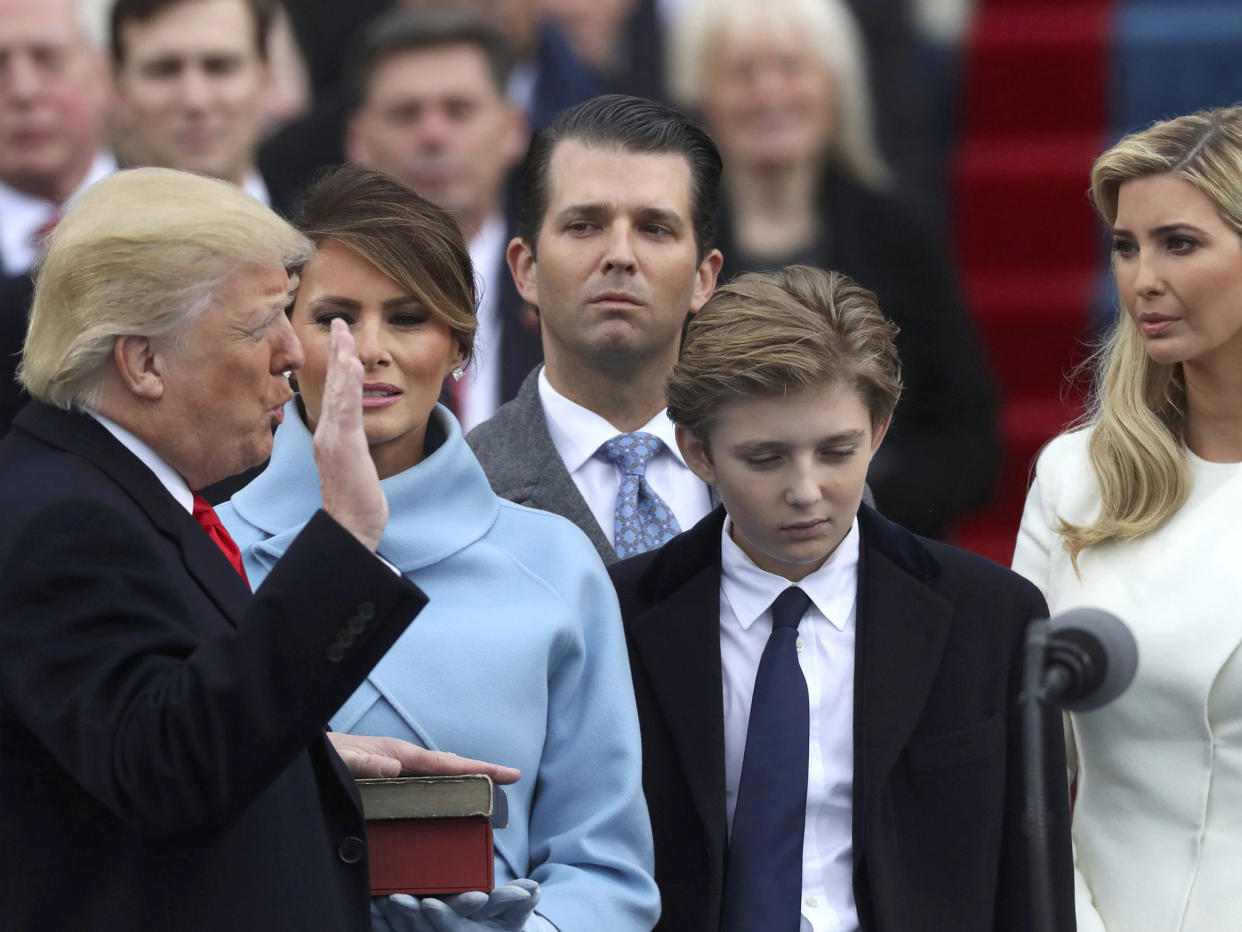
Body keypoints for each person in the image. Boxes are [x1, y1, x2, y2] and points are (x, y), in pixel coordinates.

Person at [0, 166, 518, 930]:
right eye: (261, 325)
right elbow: (170, 768)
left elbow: (147, 734)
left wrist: (310, 761)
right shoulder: (68, 521)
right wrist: (343, 537)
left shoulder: (114, 498)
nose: (291, 352)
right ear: (142, 362)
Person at [217, 164, 659, 932]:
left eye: (410, 316)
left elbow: (608, 872)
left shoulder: (557, 566)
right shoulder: (203, 549)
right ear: (286, 340)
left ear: (458, 344)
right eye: (336, 317)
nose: (373, 349)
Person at [613, 265, 1074, 930]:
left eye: (836, 451)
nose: (807, 490)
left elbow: (1031, 880)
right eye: (765, 458)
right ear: (696, 452)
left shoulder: (992, 618)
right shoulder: (618, 616)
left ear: (880, 429)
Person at [1012, 105, 1242, 932]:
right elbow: (1017, 759)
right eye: (1125, 245)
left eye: (1179, 243)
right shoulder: (1076, 476)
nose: (1142, 277)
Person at [666, 0, 998, 538]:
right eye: (742, 72)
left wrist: (861, 506)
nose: (769, 92)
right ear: (700, 94)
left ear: (836, 86)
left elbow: (966, 435)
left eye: (792, 67)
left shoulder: (898, 235)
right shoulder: (668, 240)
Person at [467, 93, 723, 564]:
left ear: (703, 279)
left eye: (654, 228)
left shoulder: (793, 470)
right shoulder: (461, 488)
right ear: (525, 270)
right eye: (585, 226)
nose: (620, 255)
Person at [346, 5, 540, 431]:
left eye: (458, 109)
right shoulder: (312, 302)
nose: (433, 133)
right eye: (405, 113)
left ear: (513, 129)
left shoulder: (560, 290)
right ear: (358, 140)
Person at [0, 0, 115, 435]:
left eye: (48, 58)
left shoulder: (183, 211)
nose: (23, 89)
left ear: (104, 73)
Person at [109, 0, 292, 213]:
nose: (196, 101)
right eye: (164, 70)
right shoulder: (74, 242)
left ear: (266, 78)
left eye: (220, 67)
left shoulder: (322, 237)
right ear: (118, 87)